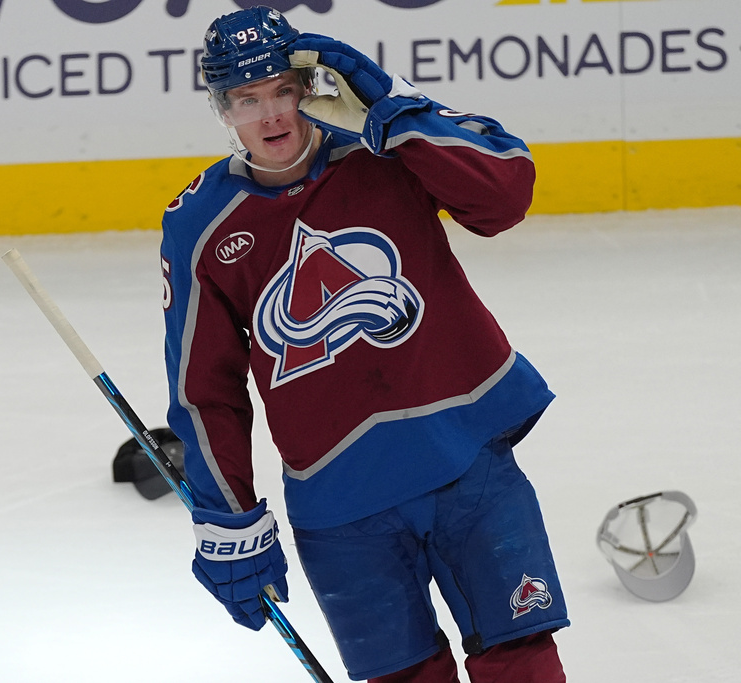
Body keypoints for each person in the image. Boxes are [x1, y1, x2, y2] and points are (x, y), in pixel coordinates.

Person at [160, 6, 569, 682]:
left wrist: (400, 112)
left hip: (465, 463)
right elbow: (203, 389)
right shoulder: (200, 224)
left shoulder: (388, 148)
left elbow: (505, 198)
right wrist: (227, 516)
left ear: (307, 86)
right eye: (247, 100)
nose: (271, 117)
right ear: (223, 110)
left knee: (521, 663)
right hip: (341, 501)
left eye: (282, 91)